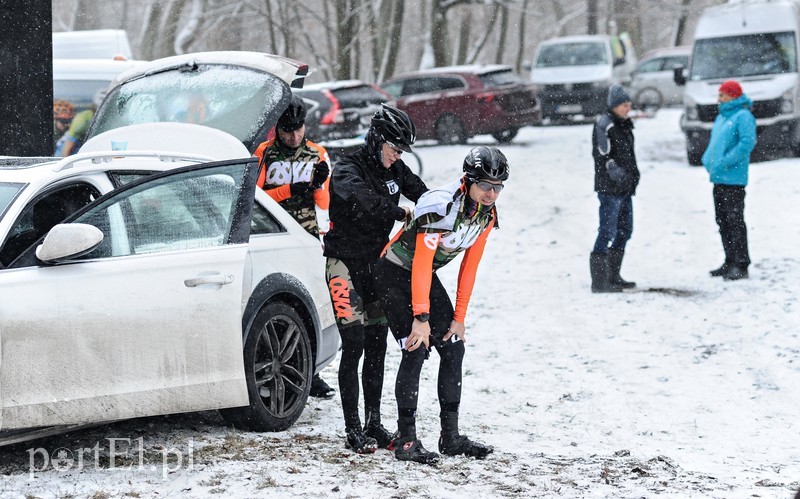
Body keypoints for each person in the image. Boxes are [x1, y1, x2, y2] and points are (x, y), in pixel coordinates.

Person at [373, 146, 505, 464]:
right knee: (416, 347)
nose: (491, 193)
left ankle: (451, 437)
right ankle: (406, 441)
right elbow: (420, 261)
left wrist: (458, 318)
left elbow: (469, 267)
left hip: (422, 276)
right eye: (485, 185)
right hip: (393, 272)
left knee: (453, 346)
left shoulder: (487, 216)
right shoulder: (441, 207)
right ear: (468, 180)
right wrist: (421, 317)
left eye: (498, 188)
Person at [324, 104, 428, 454]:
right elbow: (363, 200)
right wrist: (397, 211)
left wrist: (455, 201)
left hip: (376, 266)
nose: (398, 156)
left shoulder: (396, 168)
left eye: (402, 152)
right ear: (377, 140)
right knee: (353, 345)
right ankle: (353, 427)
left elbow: (423, 194)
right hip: (344, 264)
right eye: (394, 148)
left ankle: (373, 421)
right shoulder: (347, 168)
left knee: (377, 345)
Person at [253, 94, 335, 398]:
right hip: (271, 236)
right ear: (278, 129)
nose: (294, 136)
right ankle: (274, 363)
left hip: (308, 237)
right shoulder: (265, 153)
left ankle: (311, 369)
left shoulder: (317, 153)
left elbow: (324, 203)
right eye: (288, 131)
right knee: (279, 301)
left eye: (299, 129)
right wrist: (290, 189)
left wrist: (319, 186)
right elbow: (255, 199)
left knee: (311, 302)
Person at [701, 80, 756, 281]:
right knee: (722, 220)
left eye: (723, 95)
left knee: (735, 220)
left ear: (733, 96)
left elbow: (747, 143)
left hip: (734, 179)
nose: (719, 99)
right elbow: (715, 143)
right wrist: (708, 160)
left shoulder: (743, 116)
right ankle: (729, 260)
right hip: (719, 177)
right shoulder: (723, 117)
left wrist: (725, 161)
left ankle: (741, 263)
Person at [590, 84, 640, 293]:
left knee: (625, 231)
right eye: (623, 105)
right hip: (610, 189)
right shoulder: (605, 126)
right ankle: (599, 282)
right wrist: (617, 175)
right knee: (607, 231)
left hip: (625, 189)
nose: (627, 108)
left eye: (629, 105)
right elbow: (603, 157)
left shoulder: (625, 124)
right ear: (613, 105)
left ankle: (613, 274)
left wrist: (632, 178)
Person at [58, 88, 106, 157]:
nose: (102, 113)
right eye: (100, 109)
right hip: (65, 152)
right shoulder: (83, 120)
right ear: (95, 107)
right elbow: (66, 148)